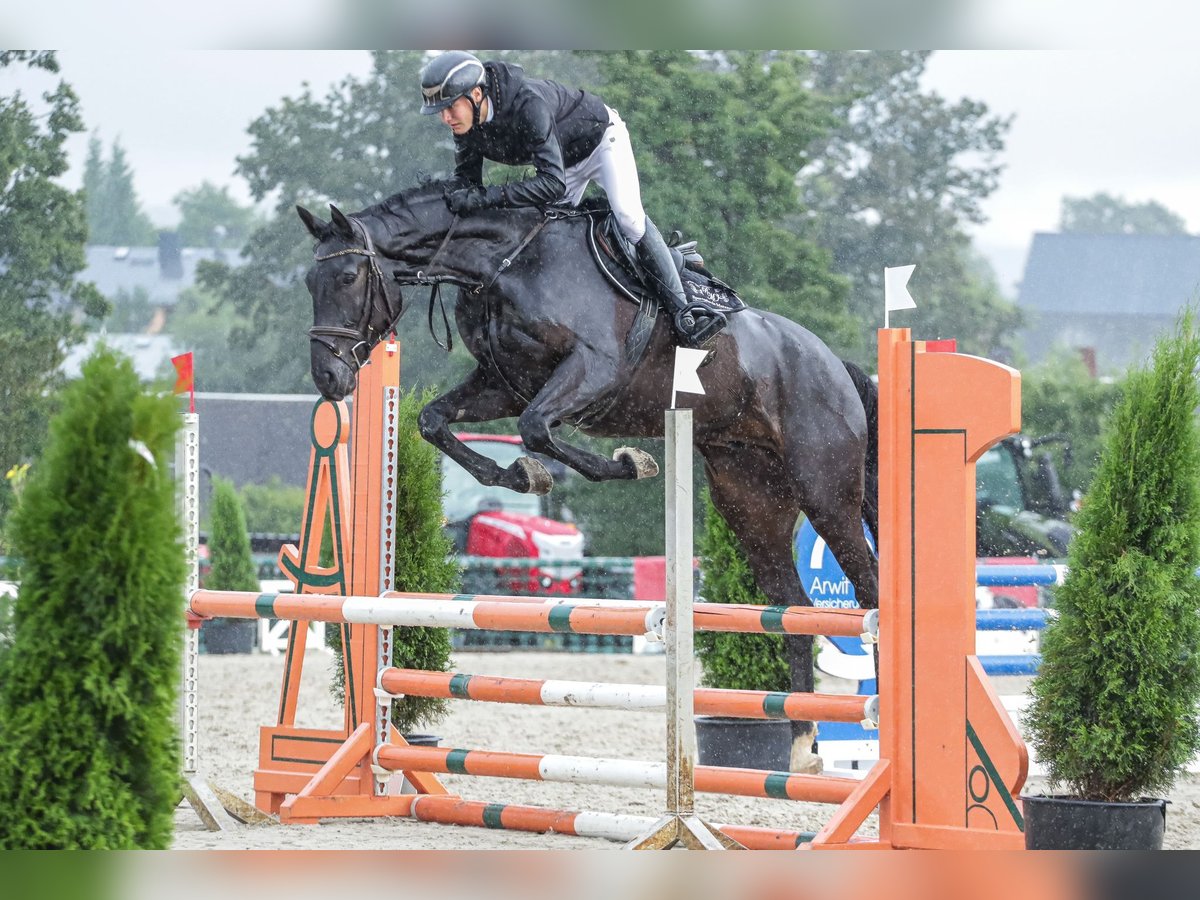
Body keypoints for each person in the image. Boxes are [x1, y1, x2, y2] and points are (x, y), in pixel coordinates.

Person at [419, 50, 726, 349]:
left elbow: (551, 184)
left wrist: (489, 196)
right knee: (542, 237)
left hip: (600, 142)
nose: (446, 118)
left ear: (475, 94)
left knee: (629, 217)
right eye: (441, 112)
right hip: (561, 163)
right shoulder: (466, 125)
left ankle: (685, 310)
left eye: (450, 108)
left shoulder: (527, 104)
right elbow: (467, 183)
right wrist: (447, 197)